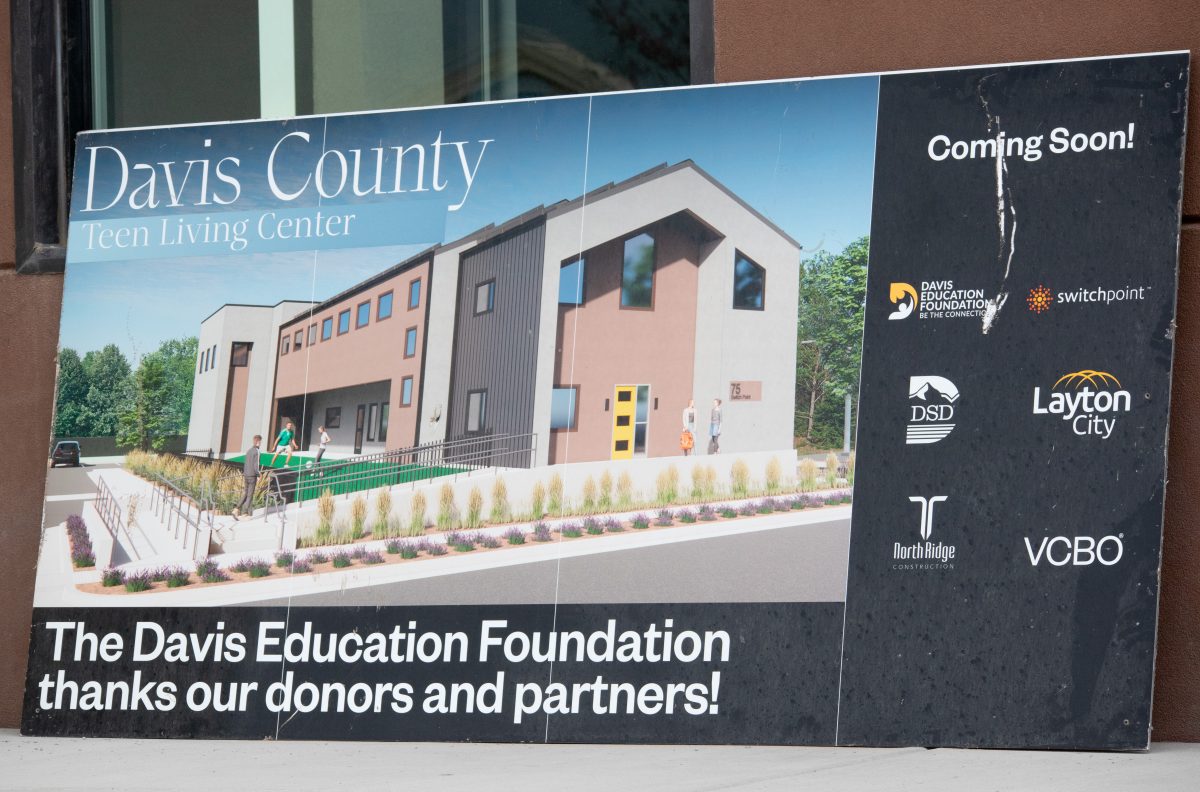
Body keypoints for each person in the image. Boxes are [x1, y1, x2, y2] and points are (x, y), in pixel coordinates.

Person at [233, 435, 261, 518]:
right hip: (252, 475)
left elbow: (246, 463)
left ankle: (236, 509)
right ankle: (244, 513)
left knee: (245, 493)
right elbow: (256, 465)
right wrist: (258, 475)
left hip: (246, 474)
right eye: (260, 442)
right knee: (250, 495)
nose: (260, 444)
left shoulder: (248, 451)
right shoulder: (257, 451)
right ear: (258, 442)